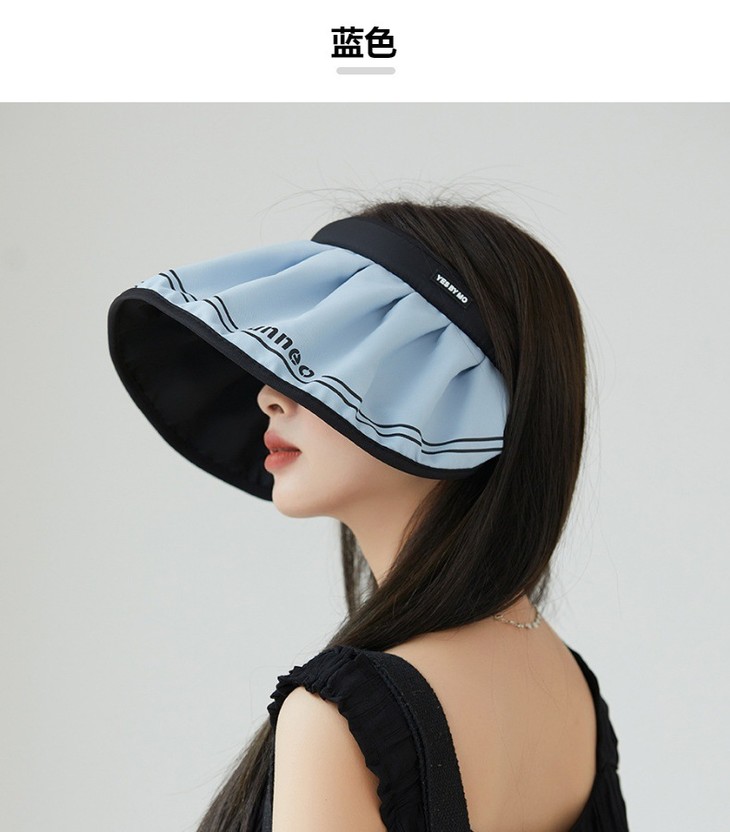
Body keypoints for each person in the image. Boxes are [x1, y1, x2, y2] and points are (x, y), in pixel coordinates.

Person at [107, 199, 630, 832]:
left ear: (451, 395)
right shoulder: (568, 685)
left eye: (338, 356)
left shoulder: (337, 719)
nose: (270, 394)